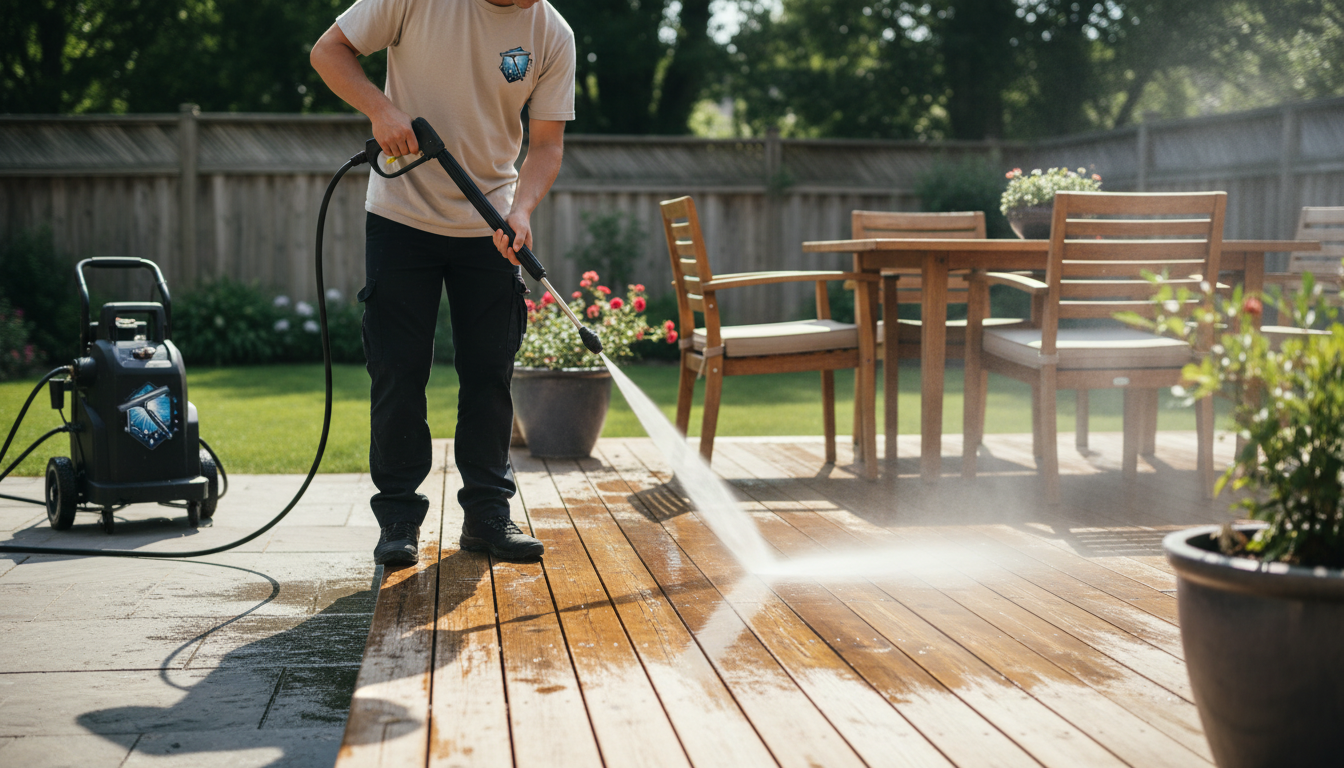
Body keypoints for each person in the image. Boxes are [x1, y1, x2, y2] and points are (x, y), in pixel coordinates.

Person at [310, 0, 575, 566]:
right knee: (399, 370)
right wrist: (382, 111)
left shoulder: (552, 32)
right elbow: (328, 51)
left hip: (492, 223)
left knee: (489, 373)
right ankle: (399, 520)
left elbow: (547, 143)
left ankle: (487, 517)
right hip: (401, 215)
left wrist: (523, 210)